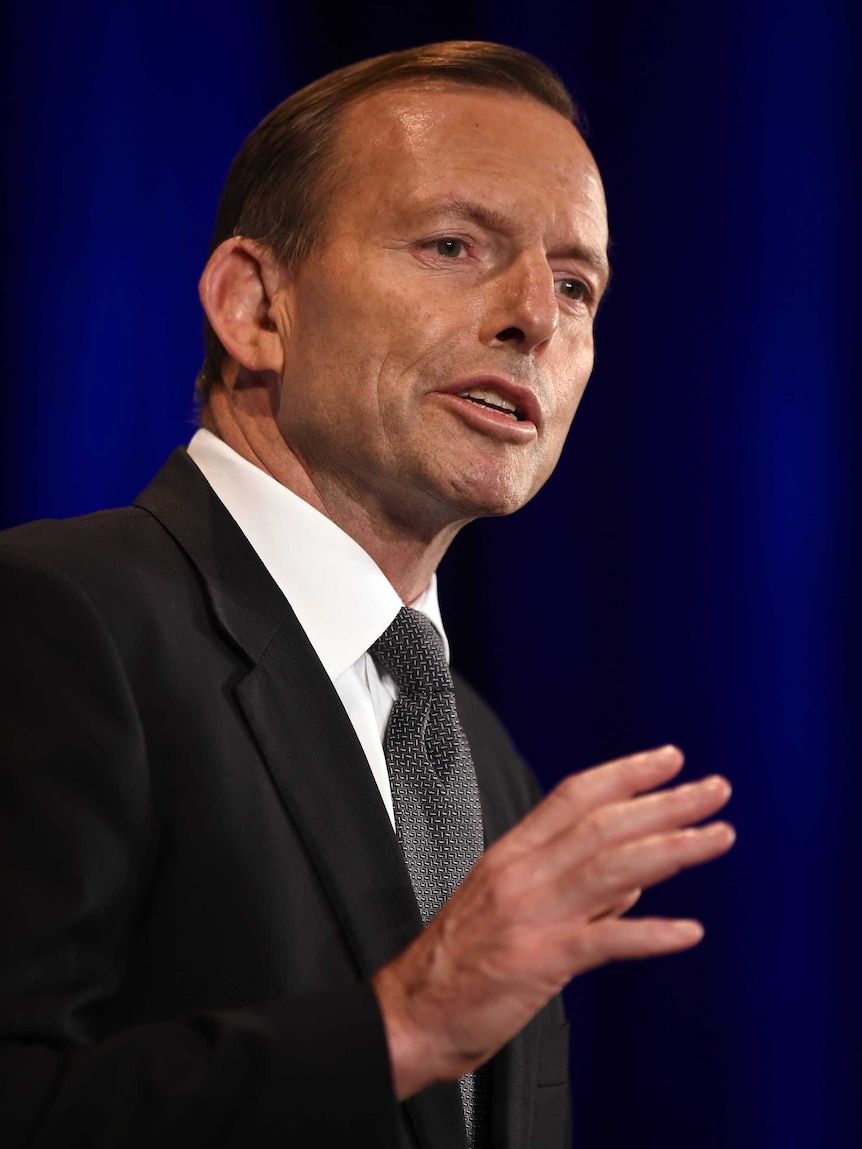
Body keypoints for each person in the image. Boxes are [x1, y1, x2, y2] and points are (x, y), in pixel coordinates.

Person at [0, 41, 734, 1148]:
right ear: (256, 307)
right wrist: (402, 1025)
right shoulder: (53, 621)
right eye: (452, 244)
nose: (534, 315)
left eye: (577, 284)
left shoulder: (482, 757)